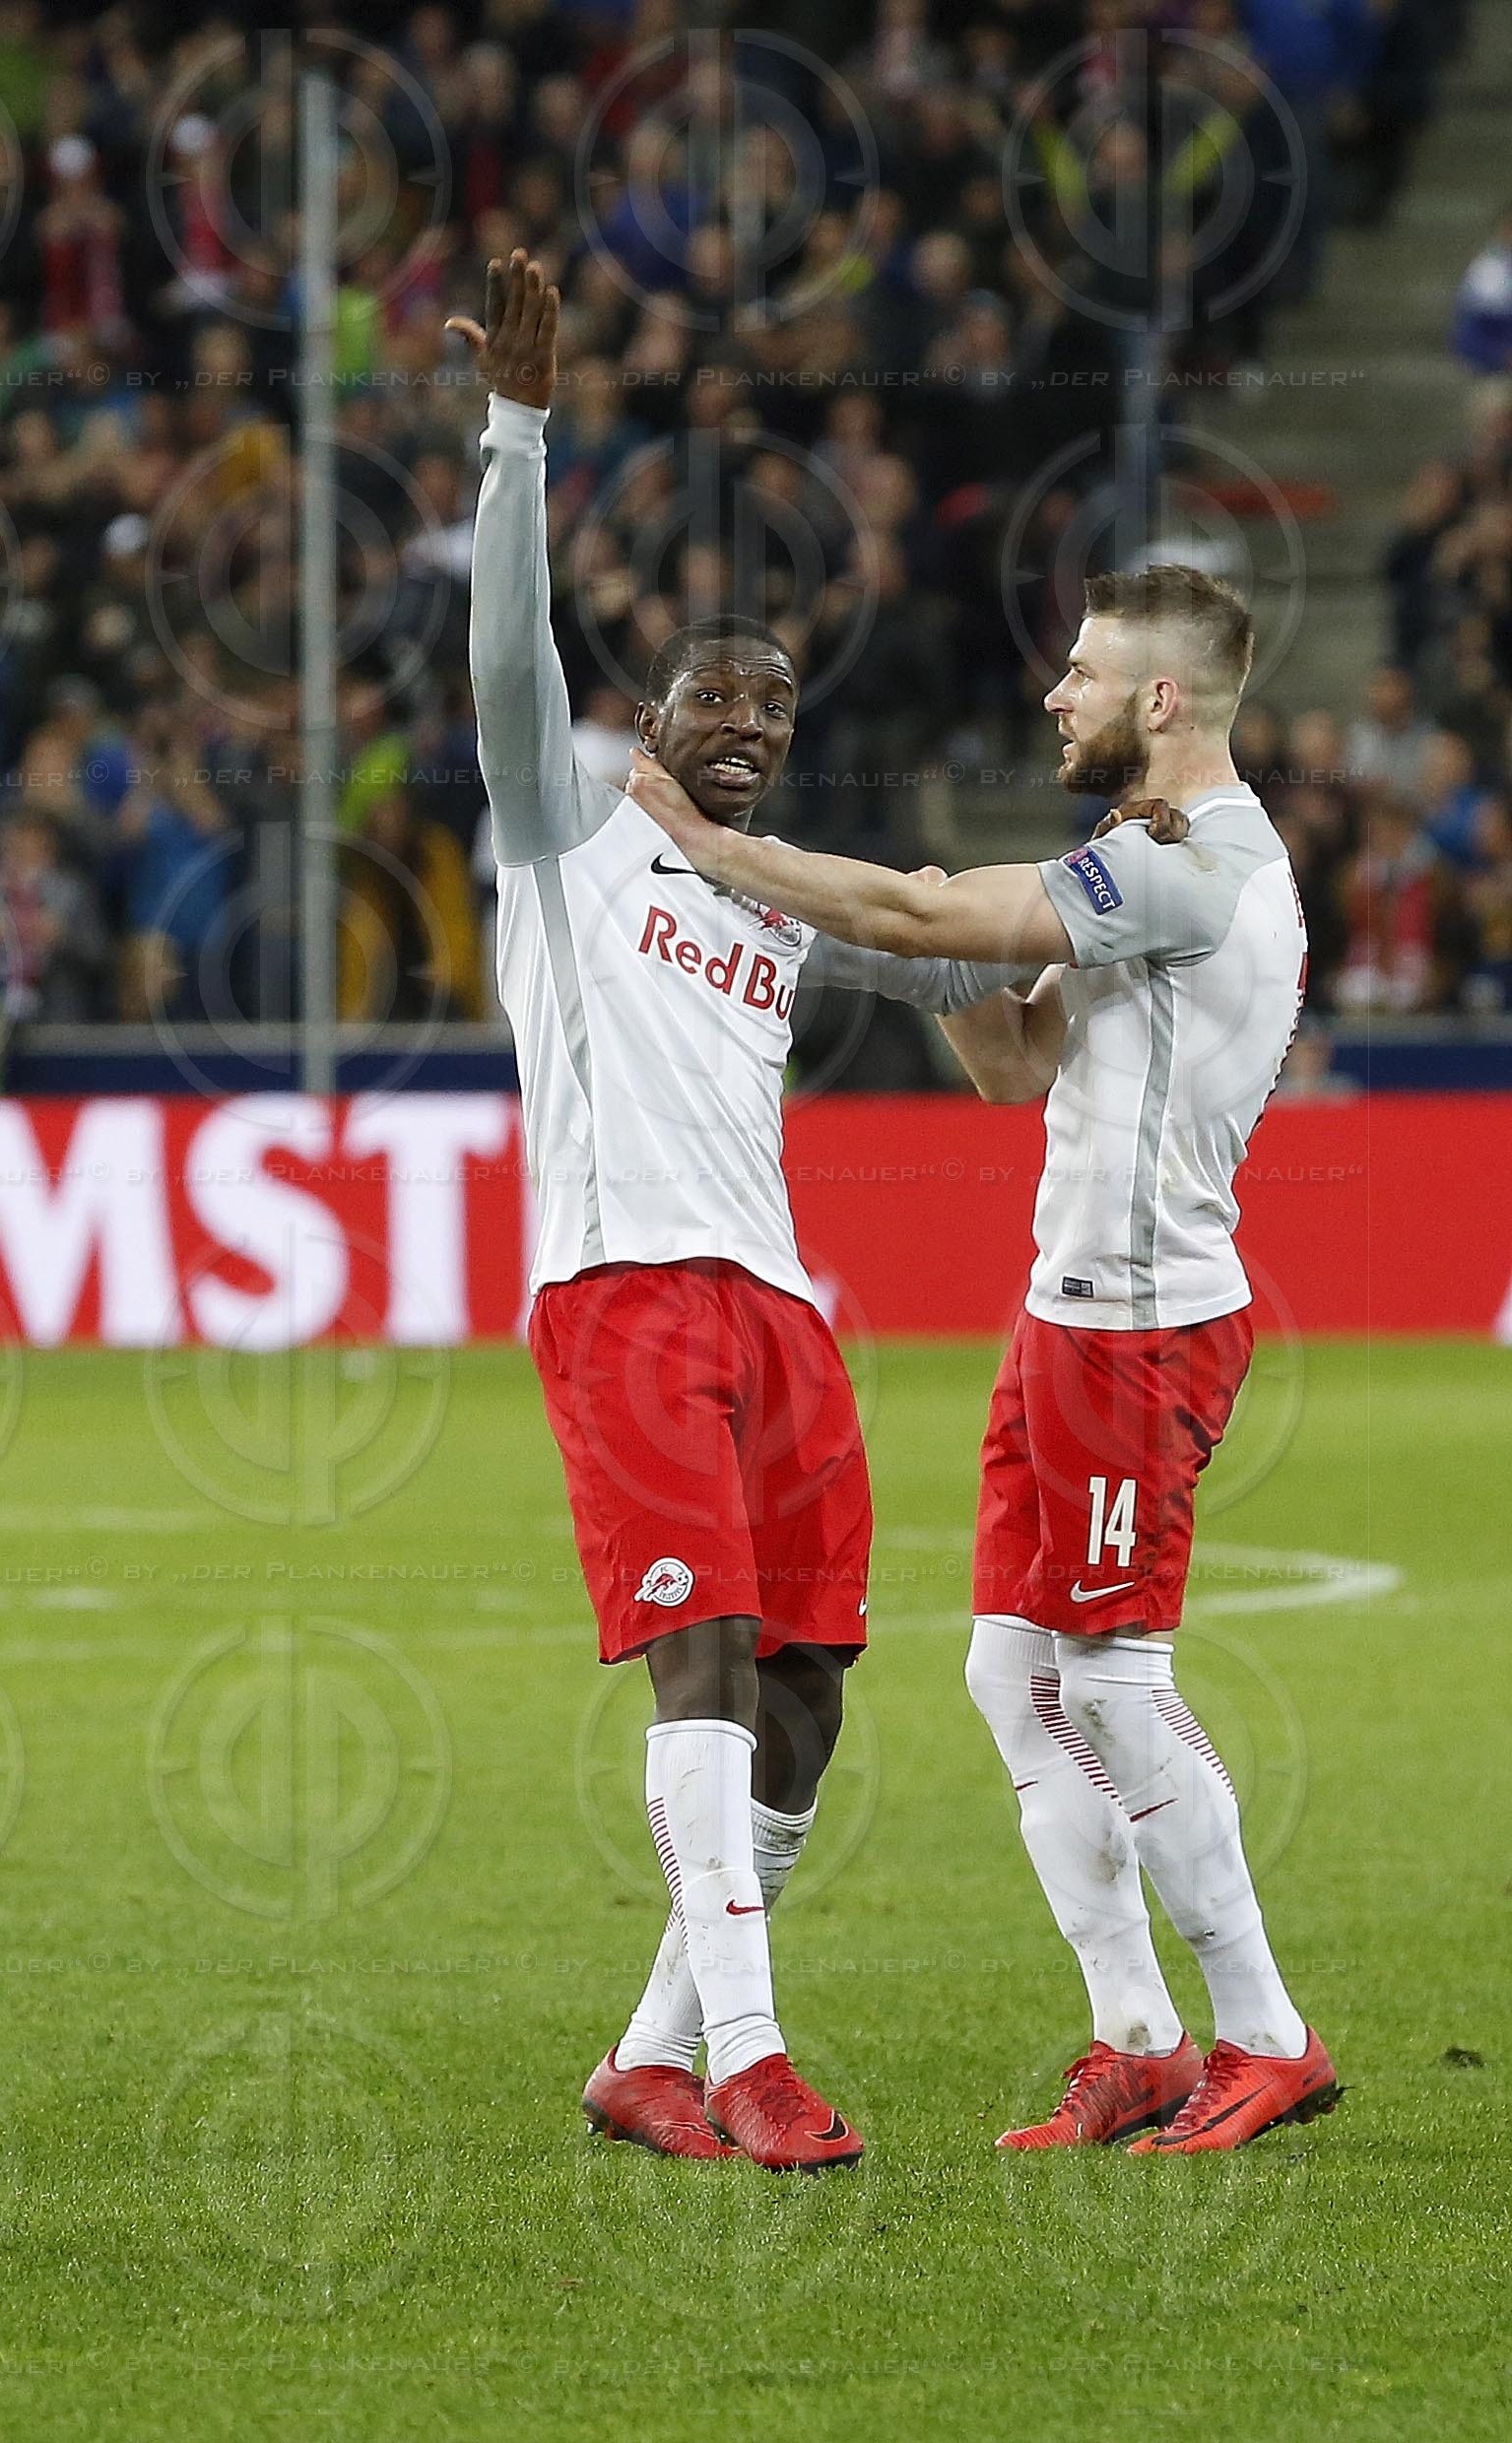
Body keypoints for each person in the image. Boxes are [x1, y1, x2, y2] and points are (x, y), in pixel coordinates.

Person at [625, 563, 1338, 2155]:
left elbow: (911, 913)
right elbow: (1015, 1061)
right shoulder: (1134, 859)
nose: (1053, 695)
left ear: (1160, 698)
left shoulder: (1196, 869)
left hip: (1144, 1328)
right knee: (1009, 1672)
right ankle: (1138, 2039)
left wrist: (719, 853)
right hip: (1070, 1315)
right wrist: (954, 963)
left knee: (1112, 1679)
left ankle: (1266, 2035)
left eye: (1081, 672)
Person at [452, 251, 1023, 2171]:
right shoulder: (558, 830)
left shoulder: (765, 892)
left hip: (774, 1299)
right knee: (695, 1657)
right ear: (652, 710)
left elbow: (970, 994)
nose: (748, 724)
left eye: (775, 706)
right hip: (618, 1288)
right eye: (719, 694)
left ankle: (647, 2052)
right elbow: (500, 658)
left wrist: (1081, 954)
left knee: (810, 1675)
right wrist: (516, 433)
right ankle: (754, 2056)